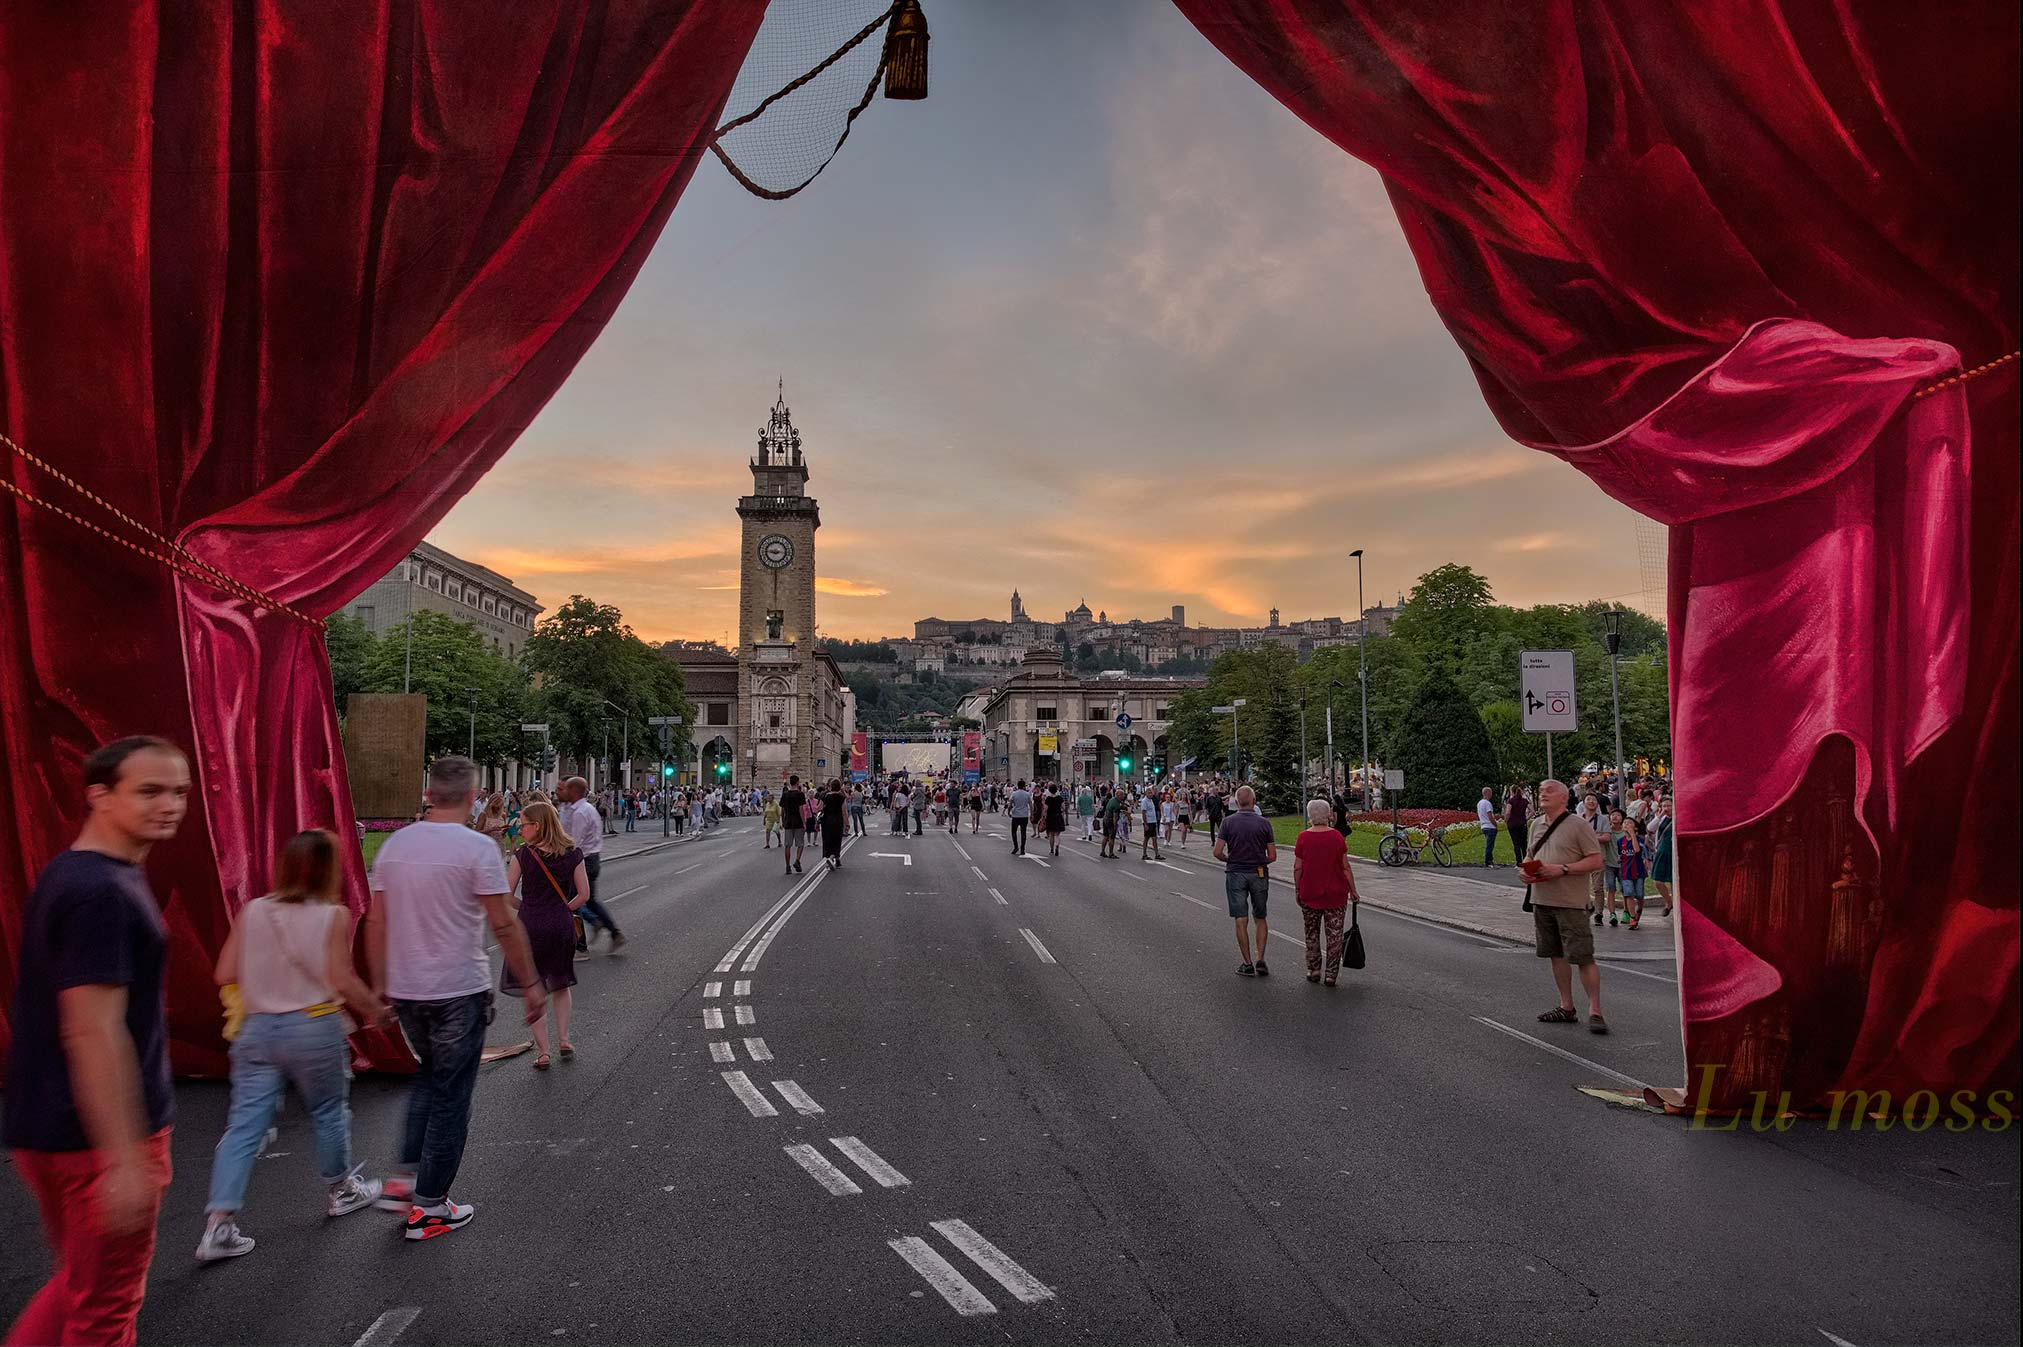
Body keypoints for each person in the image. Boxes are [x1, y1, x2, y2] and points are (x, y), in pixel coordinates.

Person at [6, 737, 189, 1344]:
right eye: (150, 791)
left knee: (79, 1289)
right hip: (95, 1141)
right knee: (105, 1316)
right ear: (99, 796)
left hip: (53, 1129)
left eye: (180, 791)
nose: (169, 804)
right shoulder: (101, 892)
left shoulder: (75, 871)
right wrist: (123, 1156)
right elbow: (91, 1027)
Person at [366, 755, 545, 1239]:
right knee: (452, 1096)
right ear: (471, 798)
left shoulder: (397, 846)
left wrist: (378, 985)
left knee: (429, 1078)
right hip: (458, 991)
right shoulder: (477, 848)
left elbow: (376, 921)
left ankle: (404, 1181)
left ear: (429, 794)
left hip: (407, 990)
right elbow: (503, 923)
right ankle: (430, 1207)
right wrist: (530, 984)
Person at [197, 830, 394, 1260]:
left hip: (257, 1030)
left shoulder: (253, 910)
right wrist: (376, 1011)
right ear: (328, 871)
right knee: (328, 1111)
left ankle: (219, 1225)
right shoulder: (333, 915)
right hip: (312, 1025)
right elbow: (340, 978)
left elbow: (224, 972)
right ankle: (341, 1190)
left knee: (243, 1126)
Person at [1520, 779, 1609, 1034]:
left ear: (1564, 797)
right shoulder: (1536, 824)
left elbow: (1596, 861)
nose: (1543, 794)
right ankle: (1566, 1006)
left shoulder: (1578, 825)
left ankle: (1595, 1011)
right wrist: (1525, 871)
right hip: (1542, 900)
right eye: (1541, 791)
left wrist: (1563, 869)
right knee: (1555, 955)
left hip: (1571, 903)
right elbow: (1530, 854)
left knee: (1582, 956)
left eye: (1549, 790)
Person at [504, 802, 588, 1069]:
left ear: (537, 826)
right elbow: (584, 894)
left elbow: (506, 895)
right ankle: (564, 1039)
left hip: (530, 926)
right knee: (561, 984)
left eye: (523, 825)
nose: (520, 830)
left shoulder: (523, 855)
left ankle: (543, 1052)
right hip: (561, 925)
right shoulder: (573, 853)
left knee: (535, 986)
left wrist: (527, 906)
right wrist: (564, 909)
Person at [1293, 798, 1359, 985]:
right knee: (1335, 936)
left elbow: (1298, 867)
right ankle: (1331, 974)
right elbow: (1345, 867)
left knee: (1311, 933)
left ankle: (1314, 970)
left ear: (1310, 816)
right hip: (1336, 894)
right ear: (1329, 815)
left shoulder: (1303, 837)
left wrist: (1298, 888)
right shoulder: (1337, 837)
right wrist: (1353, 890)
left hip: (1310, 893)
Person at [1214, 786, 1277, 975]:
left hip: (1236, 872)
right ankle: (1261, 959)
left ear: (1236, 802)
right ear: (1254, 801)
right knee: (1260, 916)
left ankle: (1247, 963)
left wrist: (1229, 859)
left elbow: (1217, 852)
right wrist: (1260, 861)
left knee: (1241, 918)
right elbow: (1272, 855)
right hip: (1258, 872)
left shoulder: (1228, 822)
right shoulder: (1264, 823)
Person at [559, 777, 625, 952]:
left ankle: (580, 947)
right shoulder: (585, 808)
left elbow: (575, 843)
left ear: (574, 791)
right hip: (592, 859)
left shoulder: (580, 813)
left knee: (574, 902)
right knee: (590, 901)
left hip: (583, 861)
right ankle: (614, 932)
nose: (564, 792)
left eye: (567, 789)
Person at [1615, 813, 1648, 928]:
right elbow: (1620, 854)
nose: (1626, 824)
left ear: (1635, 827)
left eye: (1630, 823)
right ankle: (1632, 918)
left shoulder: (1639, 839)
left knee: (1639, 895)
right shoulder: (1620, 841)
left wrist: (1632, 835)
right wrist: (1619, 858)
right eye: (1625, 823)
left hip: (1638, 871)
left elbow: (1637, 850)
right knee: (1628, 893)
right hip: (1626, 872)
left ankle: (1639, 909)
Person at [1648, 794, 1674, 917]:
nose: (1667, 808)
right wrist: (1659, 816)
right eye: (1664, 806)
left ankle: (1675, 907)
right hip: (1662, 851)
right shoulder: (1660, 818)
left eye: (1669, 805)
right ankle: (1668, 902)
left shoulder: (1679, 817)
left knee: (1674, 881)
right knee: (1658, 881)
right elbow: (1650, 828)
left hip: (1674, 852)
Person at [779, 775, 808, 875]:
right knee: (800, 844)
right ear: (797, 782)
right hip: (798, 821)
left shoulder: (785, 794)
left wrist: (783, 821)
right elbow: (801, 809)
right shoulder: (800, 794)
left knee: (787, 845)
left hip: (788, 821)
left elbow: (782, 810)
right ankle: (797, 861)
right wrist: (804, 822)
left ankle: (787, 866)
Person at [820, 779, 848, 869]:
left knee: (828, 840)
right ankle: (833, 857)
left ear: (831, 786)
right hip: (837, 821)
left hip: (826, 821)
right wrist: (847, 823)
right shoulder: (841, 797)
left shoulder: (825, 796)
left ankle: (831, 857)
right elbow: (844, 811)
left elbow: (820, 808)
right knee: (837, 840)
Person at [1504, 785, 1530, 869]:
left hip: (1512, 824)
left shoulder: (1510, 801)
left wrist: (1506, 820)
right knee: (1524, 843)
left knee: (1516, 843)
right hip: (1522, 823)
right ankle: (1526, 861)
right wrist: (1526, 818)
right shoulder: (1525, 801)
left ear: (1512, 791)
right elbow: (1532, 811)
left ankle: (1518, 862)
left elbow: (1508, 812)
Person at [1476, 786, 1501, 866]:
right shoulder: (1487, 803)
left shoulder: (1479, 803)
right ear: (1488, 793)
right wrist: (1495, 824)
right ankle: (1488, 861)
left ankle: (1489, 860)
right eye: (1491, 792)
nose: (1491, 794)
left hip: (1483, 825)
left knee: (1489, 844)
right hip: (1490, 826)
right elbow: (1490, 815)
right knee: (1490, 845)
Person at [1007, 779, 1033, 855]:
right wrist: (1031, 814)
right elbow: (1031, 805)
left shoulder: (1014, 794)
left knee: (1013, 831)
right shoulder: (1027, 794)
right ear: (1024, 786)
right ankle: (1022, 848)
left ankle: (1016, 846)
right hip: (1024, 815)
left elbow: (1010, 804)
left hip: (1016, 815)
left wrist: (1009, 812)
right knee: (1023, 832)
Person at [1042, 783, 1067, 856]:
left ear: (1050, 790)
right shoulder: (1060, 798)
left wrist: (1043, 816)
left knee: (1051, 834)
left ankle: (1052, 849)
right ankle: (1057, 846)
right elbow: (1063, 807)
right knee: (1057, 834)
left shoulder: (1048, 799)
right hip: (1058, 816)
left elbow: (1045, 809)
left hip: (1050, 817)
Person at [1139, 787, 1163, 861]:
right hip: (1148, 822)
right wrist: (1145, 824)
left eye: (1151, 793)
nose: (1150, 794)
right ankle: (1144, 854)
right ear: (1146, 793)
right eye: (1149, 793)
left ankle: (1157, 854)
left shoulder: (1151, 800)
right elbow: (1143, 813)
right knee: (1146, 838)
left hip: (1153, 821)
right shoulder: (1144, 801)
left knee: (1154, 838)